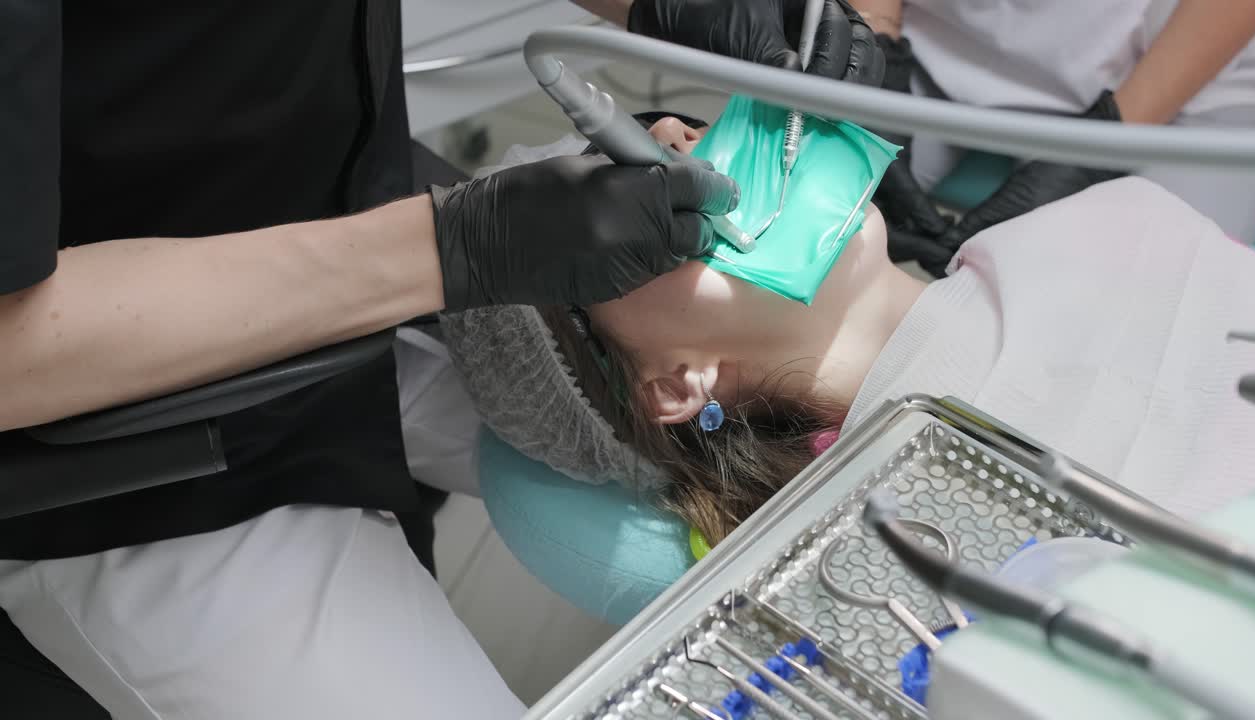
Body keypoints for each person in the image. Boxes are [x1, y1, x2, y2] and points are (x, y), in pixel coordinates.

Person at [0, 0, 883, 717]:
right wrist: (450, 249)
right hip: (123, 456)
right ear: (684, 383)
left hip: (346, 227)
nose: (676, 134)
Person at [444, 114, 1255, 546]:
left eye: (655, 126)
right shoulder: (901, 530)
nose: (669, 137)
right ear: (675, 382)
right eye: (614, 210)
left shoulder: (1081, 222)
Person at [851, 0, 1255, 276]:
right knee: (825, 207)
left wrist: (1106, 141)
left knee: (1151, 298)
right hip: (939, 31)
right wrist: (877, 43)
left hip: (1189, 73)